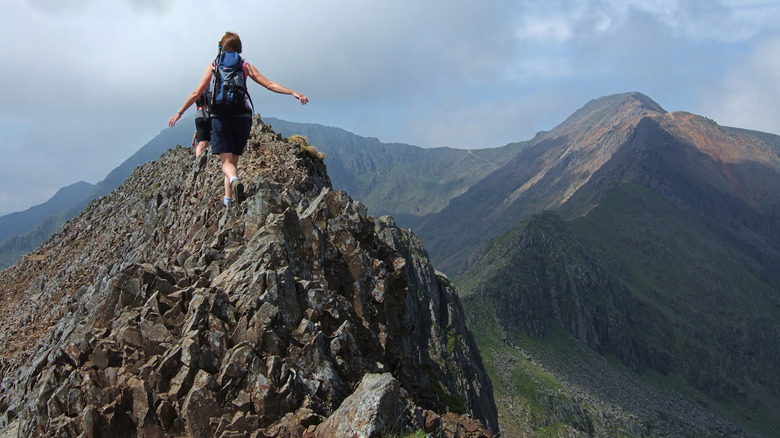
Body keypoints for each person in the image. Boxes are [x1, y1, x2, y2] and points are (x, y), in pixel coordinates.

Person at [169, 31, 308, 206]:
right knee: (234, 160)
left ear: (222, 47)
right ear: (239, 48)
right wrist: (293, 92)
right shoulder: (245, 66)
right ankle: (229, 201)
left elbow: (197, 92)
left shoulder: (215, 65)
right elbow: (269, 84)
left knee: (226, 163)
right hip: (243, 117)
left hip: (220, 116)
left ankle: (234, 180)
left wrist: (180, 112)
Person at [192, 90, 211, 157]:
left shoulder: (201, 89)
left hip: (199, 115)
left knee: (202, 143)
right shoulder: (213, 87)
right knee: (204, 143)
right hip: (209, 114)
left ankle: (198, 161)